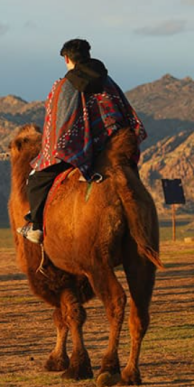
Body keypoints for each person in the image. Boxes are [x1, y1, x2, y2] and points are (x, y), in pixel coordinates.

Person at [19, 38, 147, 244]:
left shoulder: (64, 85)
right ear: (88, 55)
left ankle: (36, 226)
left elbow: (57, 126)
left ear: (67, 59)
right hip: (111, 147)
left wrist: (62, 146)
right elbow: (121, 112)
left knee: (36, 179)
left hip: (78, 150)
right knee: (131, 178)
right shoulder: (108, 81)